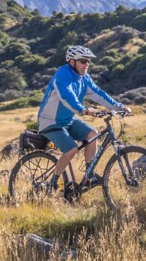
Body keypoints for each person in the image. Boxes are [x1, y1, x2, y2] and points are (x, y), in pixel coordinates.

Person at [37, 45, 131, 190]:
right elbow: (67, 97)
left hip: (68, 120)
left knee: (92, 134)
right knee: (71, 149)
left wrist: (119, 107)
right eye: (83, 61)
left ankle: (89, 176)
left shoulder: (84, 78)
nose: (87, 64)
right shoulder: (62, 75)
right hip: (50, 122)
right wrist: (83, 110)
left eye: (88, 61)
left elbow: (99, 94)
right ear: (72, 62)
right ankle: (52, 182)